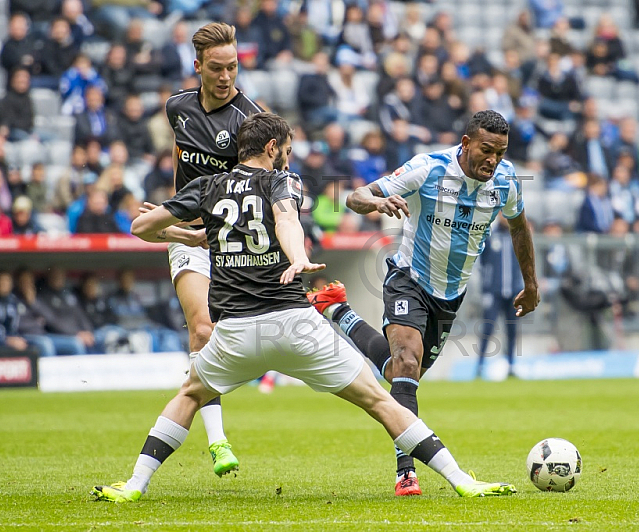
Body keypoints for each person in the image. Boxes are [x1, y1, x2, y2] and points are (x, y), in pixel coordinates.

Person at [91, 111, 515, 503]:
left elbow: (141, 226)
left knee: (189, 395)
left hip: (235, 331)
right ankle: (462, 480)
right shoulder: (284, 181)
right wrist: (296, 257)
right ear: (272, 149)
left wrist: (188, 237)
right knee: (381, 402)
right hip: (294, 325)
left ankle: (133, 485)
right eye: (288, 151)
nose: (289, 159)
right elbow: (286, 220)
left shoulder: (207, 187)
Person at [307, 110, 540, 496]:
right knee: (407, 363)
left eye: (500, 152)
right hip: (408, 279)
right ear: (466, 144)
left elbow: (519, 226)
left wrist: (530, 283)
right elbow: (355, 196)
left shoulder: (507, 180)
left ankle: (336, 310)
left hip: (450, 295)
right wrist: (376, 203)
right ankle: (406, 473)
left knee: (398, 371)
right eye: (486, 150)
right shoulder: (428, 169)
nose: (493, 160)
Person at [153, 22, 264, 478]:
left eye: (233, 67)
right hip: (189, 237)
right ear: (197, 66)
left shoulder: (249, 121)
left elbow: (271, 177)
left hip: (233, 241)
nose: (226, 76)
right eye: (216, 68)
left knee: (234, 336)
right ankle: (218, 442)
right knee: (201, 329)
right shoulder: (176, 108)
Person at [476, 212, 524, 378]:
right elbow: (481, 264)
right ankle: (480, 365)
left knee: (512, 329)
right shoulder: (490, 235)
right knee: (488, 328)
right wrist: (485, 289)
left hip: (513, 291)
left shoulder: (517, 235)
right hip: (494, 291)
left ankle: (511, 365)